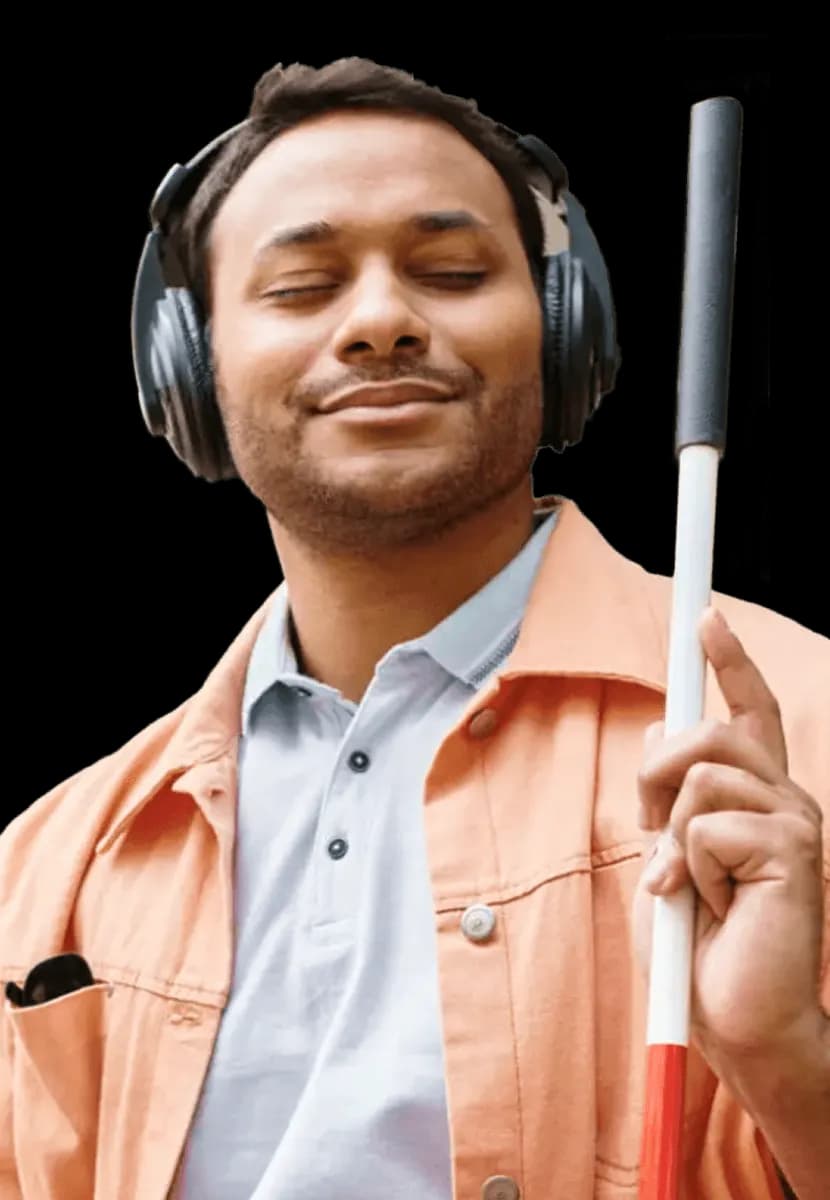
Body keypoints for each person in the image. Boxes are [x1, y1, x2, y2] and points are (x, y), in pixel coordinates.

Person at [0, 56, 826, 1200]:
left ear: (562, 331)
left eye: (446, 271)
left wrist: (787, 1056)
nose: (381, 321)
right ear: (187, 370)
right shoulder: (54, 864)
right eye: (300, 287)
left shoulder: (799, 736)